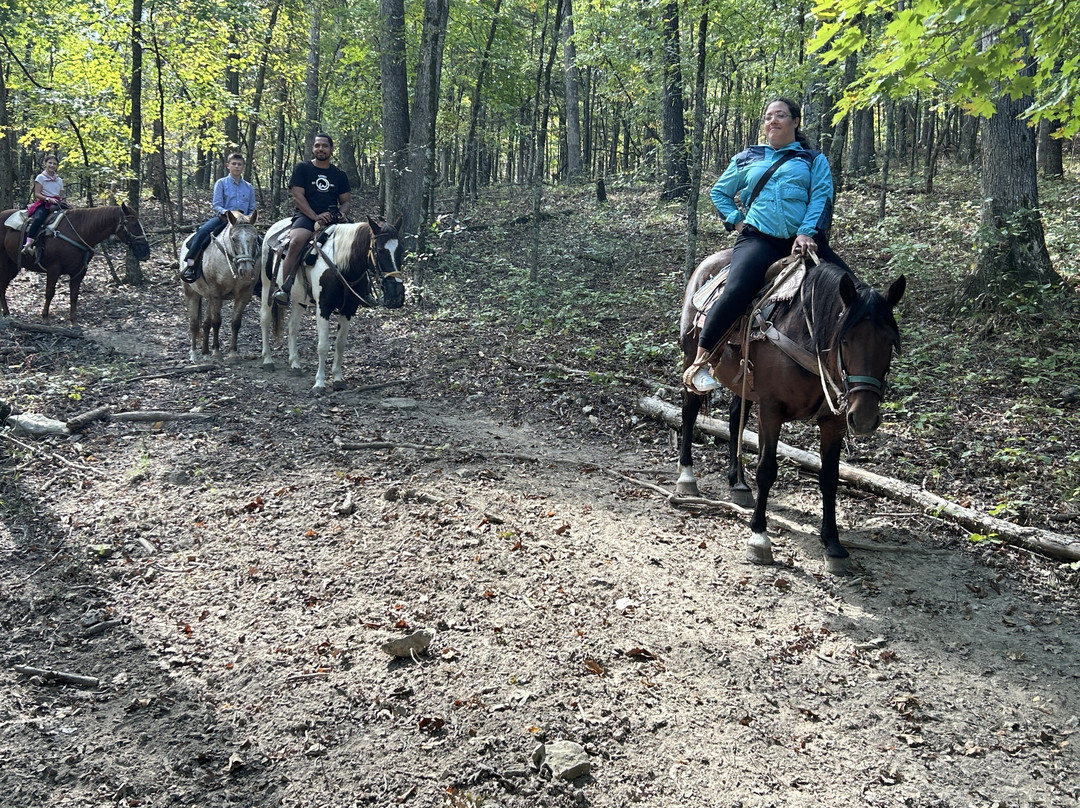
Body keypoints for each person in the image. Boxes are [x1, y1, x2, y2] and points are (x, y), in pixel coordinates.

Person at [684, 97, 850, 394]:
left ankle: (857, 370)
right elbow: (719, 192)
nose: (773, 121)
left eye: (780, 116)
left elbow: (821, 197)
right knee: (736, 290)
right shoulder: (748, 157)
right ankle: (701, 363)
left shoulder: (813, 159)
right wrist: (736, 222)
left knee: (854, 291)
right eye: (768, 117)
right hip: (760, 238)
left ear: (795, 122)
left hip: (805, 240)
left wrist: (806, 232)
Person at [272, 133, 351, 303]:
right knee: (296, 242)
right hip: (307, 216)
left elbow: (345, 202)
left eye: (324, 146)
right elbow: (298, 196)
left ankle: (361, 289)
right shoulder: (303, 168)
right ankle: (285, 288)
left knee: (359, 241)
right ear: (313, 148)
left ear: (331, 149)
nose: (320, 149)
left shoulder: (339, 175)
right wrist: (315, 216)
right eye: (317, 145)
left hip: (332, 217)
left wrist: (341, 213)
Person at [181, 152, 256, 282]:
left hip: (243, 222)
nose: (236, 167)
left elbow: (251, 208)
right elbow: (217, 204)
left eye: (239, 164)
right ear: (228, 165)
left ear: (243, 166)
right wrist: (227, 213)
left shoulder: (248, 187)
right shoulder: (221, 183)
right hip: (224, 218)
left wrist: (248, 218)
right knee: (203, 232)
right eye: (234, 164)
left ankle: (260, 276)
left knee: (259, 240)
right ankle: (191, 263)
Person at [23, 154, 66, 254]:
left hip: (57, 203)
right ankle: (28, 241)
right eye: (50, 163)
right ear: (45, 164)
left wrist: (63, 201)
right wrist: (48, 199)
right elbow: (37, 194)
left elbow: (62, 194)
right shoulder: (40, 177)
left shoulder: (59, 180)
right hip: (44, 203)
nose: (52, 165)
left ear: (57, 166)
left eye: (54, 164)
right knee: (39, 218)